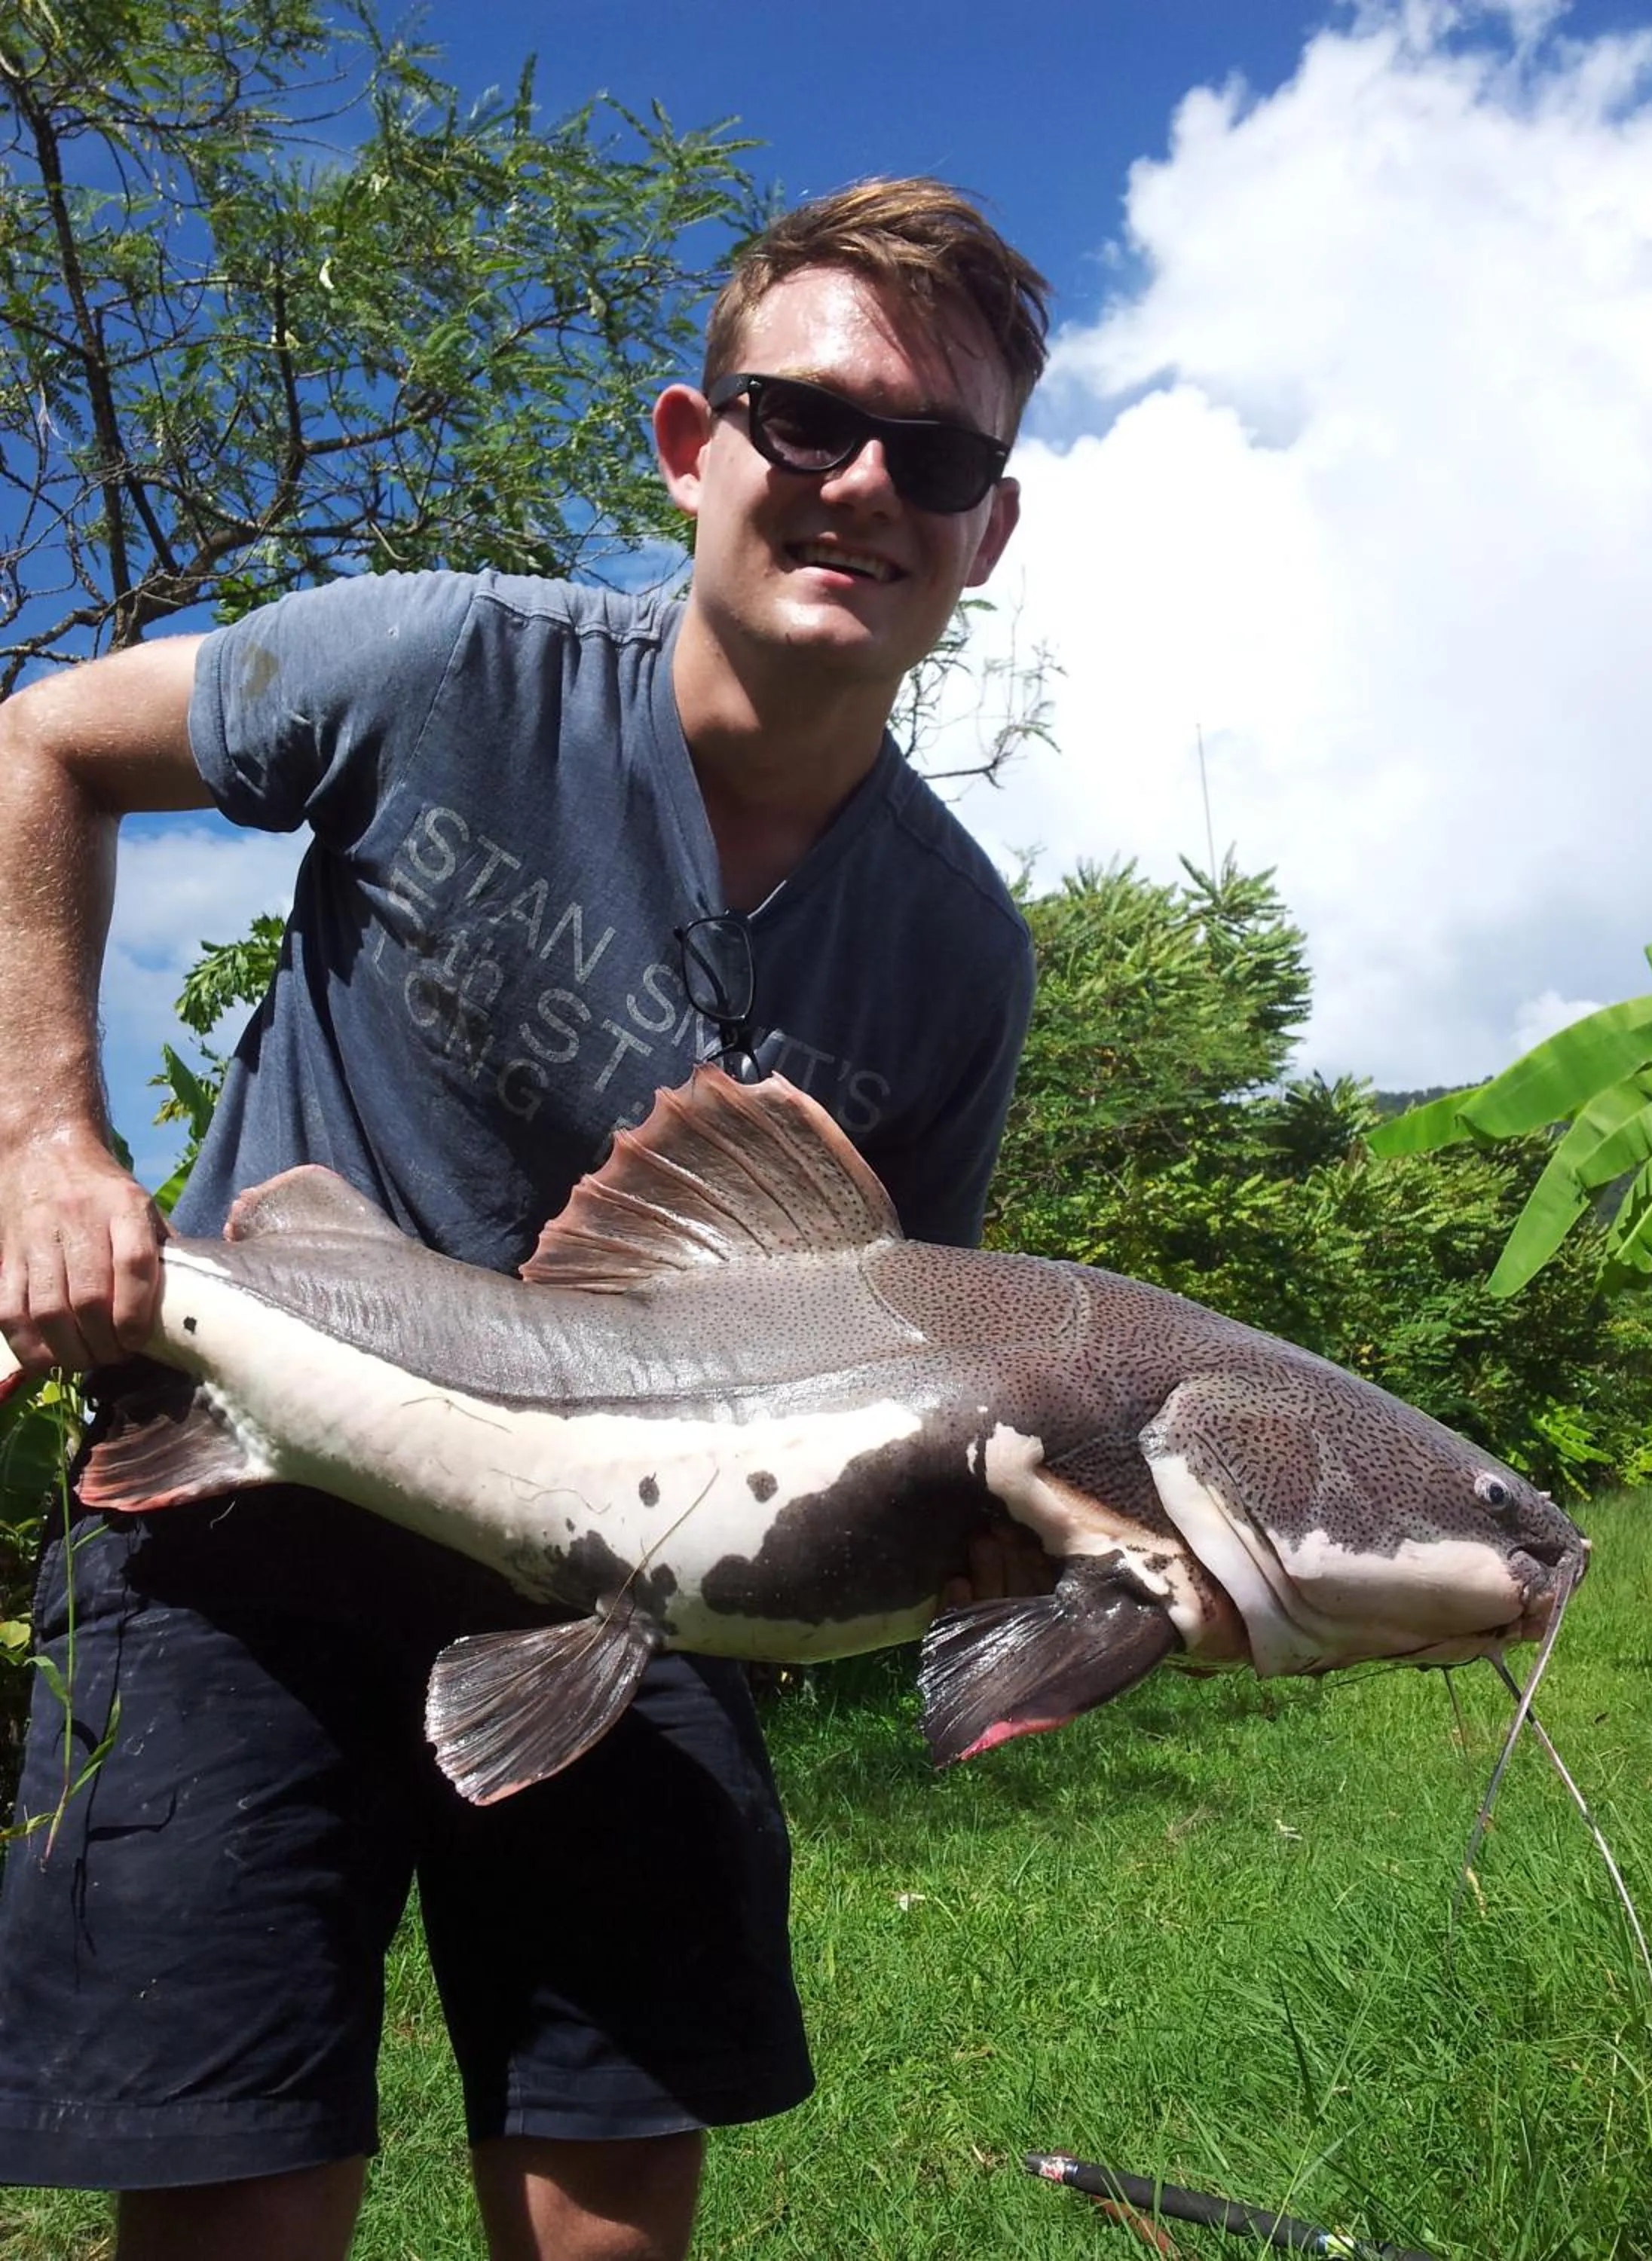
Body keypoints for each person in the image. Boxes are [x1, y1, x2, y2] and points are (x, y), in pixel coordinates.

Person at [0, 177, 1050, 2259]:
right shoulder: (445, 665)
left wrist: (1001, 1561)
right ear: (691, 444)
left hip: (637, 1591)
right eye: (806, 420)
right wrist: (45, 1140)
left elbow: (901, 1364)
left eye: (935, 458)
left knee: (611, 2212)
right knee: (230, 2197)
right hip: (243, 1515)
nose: (863, 485)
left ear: (989, 527)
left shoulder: (956, 957)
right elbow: (43, 742)